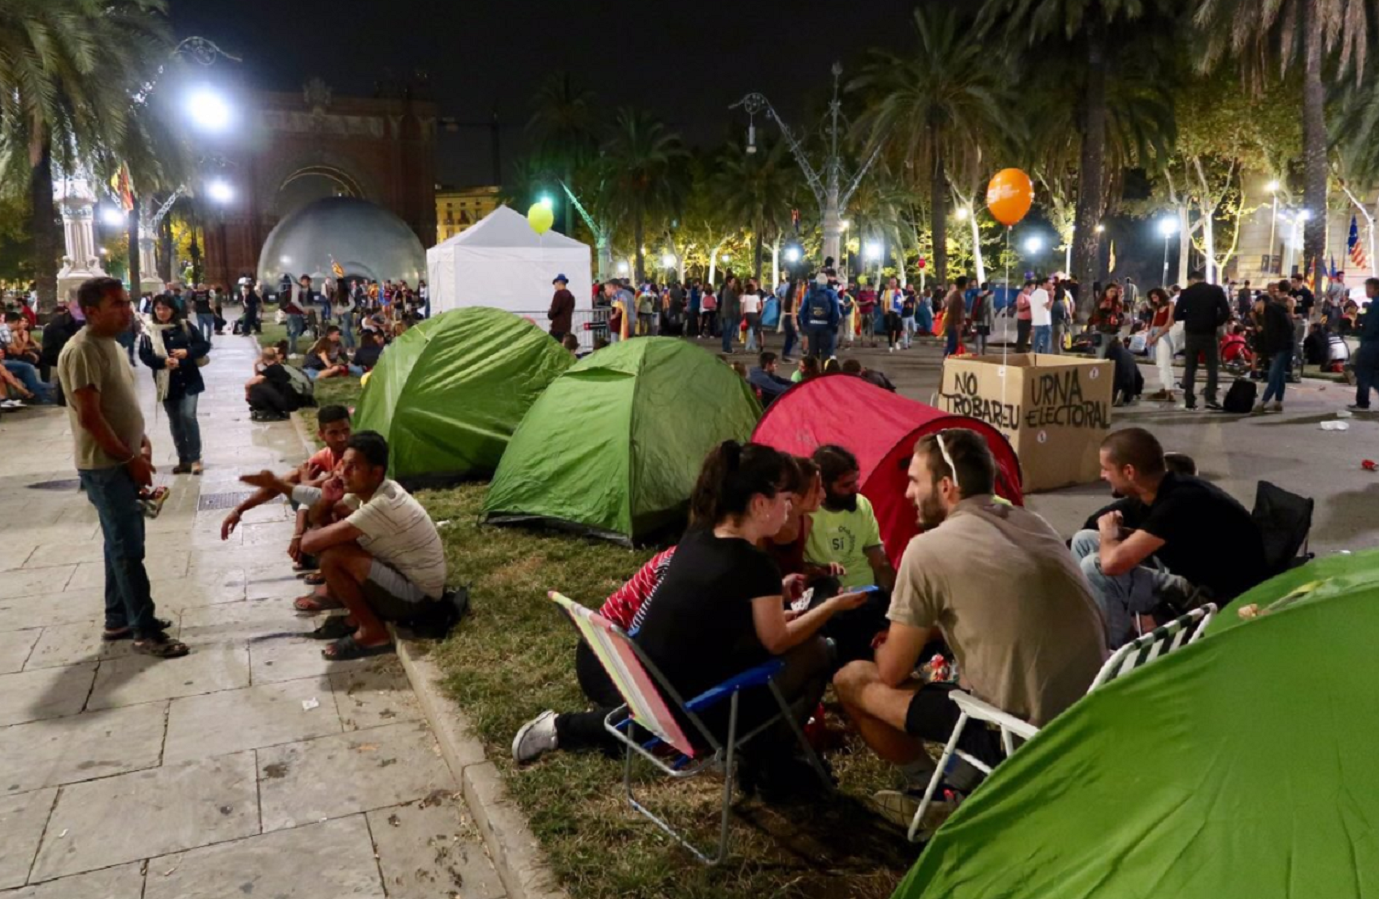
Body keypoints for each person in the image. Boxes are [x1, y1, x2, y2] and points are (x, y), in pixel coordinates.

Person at [832, 429, 1106, 825]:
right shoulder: (1032, 522)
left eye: (914, 481)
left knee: (853, 679)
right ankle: (960, 780)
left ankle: (935, 796)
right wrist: (931, 630)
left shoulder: (927, 549)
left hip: (1018, 734)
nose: (908, 494)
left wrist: (886, 644)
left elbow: (891, 671)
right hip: (1084, 714)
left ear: (946, 487)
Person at [57, 277, 187, 658]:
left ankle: (118, 617)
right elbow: (91, 418)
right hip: (106, 465)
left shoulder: (110, 344)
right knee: (128, 547)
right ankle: (144, 630)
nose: (127, 310)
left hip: (124, 457)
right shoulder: (82, 351)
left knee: (119, 542)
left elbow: (117, 403)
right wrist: (130, 460)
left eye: (128, 302)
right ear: (91, 311)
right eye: (117, 304)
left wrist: (140, 440)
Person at [241, 431, 448, 660]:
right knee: (333, 525)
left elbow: (309, 544)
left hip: (419, 598)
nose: (344, 473)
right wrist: (327, 501)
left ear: (376, 472)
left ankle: (373, 632)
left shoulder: (382, 504)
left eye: (354, 468)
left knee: (332, 555)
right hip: (405, 580)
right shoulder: (375, 489)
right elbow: (319, 506)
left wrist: (315, 520)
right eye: (344, 465)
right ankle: (350, 610)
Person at [1071, 428, 1267, 648]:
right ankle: (1093, 623)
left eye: (1106, 469)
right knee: (1084, 539)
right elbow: (1161, 537)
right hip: (1191, 572)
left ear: (1129, 471)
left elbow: (1112, 565)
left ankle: (1116, 649)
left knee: (1094, 567)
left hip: (1215, 596)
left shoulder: (1178, 502)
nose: (1102, 475)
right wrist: (1117, 535)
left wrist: (1109, 535)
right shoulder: (1167, 488)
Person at [138, 294, 209, 475]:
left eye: (166, 308)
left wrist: (187, 353)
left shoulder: (184, 326)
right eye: (158, 308)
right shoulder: (149, 331)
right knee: (175, 421)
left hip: (189, 379)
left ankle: (195, 458)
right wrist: (163, 363)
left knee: (188, 416)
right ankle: (183, 459)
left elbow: (204, 345)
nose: (162, 312)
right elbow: (145, 356)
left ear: (173, 309)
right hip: (167, 383)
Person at [1173, 270, 1231, 411]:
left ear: (1191, 280)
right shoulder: (1216, 291)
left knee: (1190, 368)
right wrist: (1214, 321)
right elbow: (1226, 311)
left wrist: (1191, 316)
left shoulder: (1186, 293)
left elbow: (1177, 315)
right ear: (1203, 279)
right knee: (1212, 367)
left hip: (1192, 334)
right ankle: (1210, 398)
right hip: (1209, 334)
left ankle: (1189, 400)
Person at [1252, 284, 1294, 414]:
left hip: (1281, 346)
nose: (1254, 307)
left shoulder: (1270, 310)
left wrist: (1272, 349)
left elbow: (1272, 332)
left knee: (1273, 375)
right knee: (1279, 375)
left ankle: (1263, 403)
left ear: (1262, 302)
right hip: (1286, 345)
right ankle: (1278, 402)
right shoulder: (1277, 309)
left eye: (1256, 303)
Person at [1348, 277, 1379, 410]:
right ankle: (1362, 401)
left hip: (1372, 343)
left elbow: (1371, 326)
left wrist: (1362, 330)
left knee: (1364, 372)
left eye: (1368, 288)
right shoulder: (1373, 304)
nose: (1367, 291)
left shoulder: (1375, 305)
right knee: (1374, 374)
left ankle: (1362, 402)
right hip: (1373, 342)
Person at [1144, 288, 1179, 402]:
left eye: (1156, 297)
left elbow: (1169, 322)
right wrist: (1149, 336)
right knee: (1160, 363)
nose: (1154, 300)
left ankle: (1169, 390)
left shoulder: (1170, 305)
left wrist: (1156, 336)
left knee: (1165, 363)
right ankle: (1166, 387)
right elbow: (1153, 323)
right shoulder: (1157, 309)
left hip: (1164, 334)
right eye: (1152, 298)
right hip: (1156, 333)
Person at [799, 273, 840, 361]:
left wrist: (806, 324)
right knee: (826, 353)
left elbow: (802, 311)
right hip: (826, 327)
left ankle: (813, 372)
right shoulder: (831, 293)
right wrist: (833, 325)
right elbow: (836, 312)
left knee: (813, 353)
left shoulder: (809, 292)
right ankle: (825, 373)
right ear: (826, 282)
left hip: (812, 326)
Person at [282, 276, 311, 356]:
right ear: (302, 281)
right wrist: (303, 310)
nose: (307, 284)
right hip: (293, 312)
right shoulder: (296, 287)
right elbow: (294, 301)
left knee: (296, 331)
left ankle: (292, 350)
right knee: (294, 332)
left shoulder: (299, 288)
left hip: (295, 313)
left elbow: (303, 299)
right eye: (306, 282)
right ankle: (291, 352)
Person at [1029, 275, 1053, 354]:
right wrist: (1052, 297)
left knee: (1036, 343)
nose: (1051, 285)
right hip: (1044, 321)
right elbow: (1048, 307)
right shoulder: (1044, 293)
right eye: (1049, 283)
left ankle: (1035, 358)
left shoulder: (1033, 294)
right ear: (1044, 284)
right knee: (1047, 343)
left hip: (1036, 321)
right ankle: (1045, 359)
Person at [943, 277, 967, 357]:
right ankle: (947, 361)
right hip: (955, 324)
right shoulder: (958, 296)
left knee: (952, 344)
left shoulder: (956, 294)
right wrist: (958, 324)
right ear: (964, 284)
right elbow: (957, 311)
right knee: (952, 345)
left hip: (953, 323)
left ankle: (947, 360)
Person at [548, 274, 575, 343]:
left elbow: (554, 310)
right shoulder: (571, 296)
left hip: (557, 328)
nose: (555, 286)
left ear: (559, 283)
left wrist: (549, 313)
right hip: (567, 327)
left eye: (555, 284)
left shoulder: (558, 294)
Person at [741, 279, 764, 353]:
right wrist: (756, 310)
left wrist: (742, 314)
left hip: (747, 314)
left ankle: (748, 347)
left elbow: (741, 306)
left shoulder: (744, 297)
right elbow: (760, 307)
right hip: (754, 314)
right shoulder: (756, 297)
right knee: (752, 331)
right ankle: (753, 347)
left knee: (749, 331)